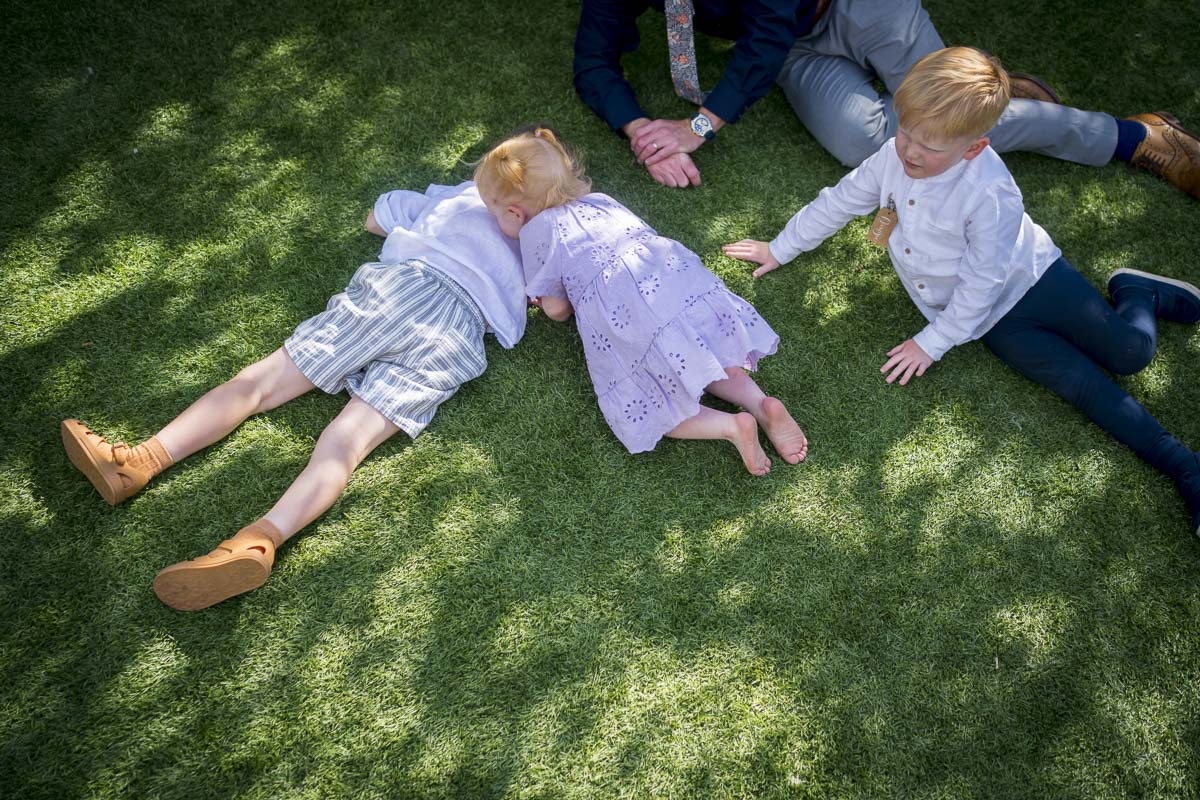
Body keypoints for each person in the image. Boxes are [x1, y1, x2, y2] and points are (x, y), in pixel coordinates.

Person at [725, 47, 1200, 537]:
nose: (909, 151)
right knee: (1082, 386)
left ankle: (1138, 292)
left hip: (1034, 279)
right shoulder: (895, 155)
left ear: (973, 148)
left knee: (1131, 354)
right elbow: (841, 200)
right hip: (992, 320)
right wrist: (780, 247)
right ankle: (1186, 467)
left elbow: (982, 283)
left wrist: (931, 342)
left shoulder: (989, 193)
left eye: (928, 146)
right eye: (905, 131)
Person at [61, 181, 528, 610]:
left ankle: (136, 462)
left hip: (404, 291)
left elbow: (377, 216)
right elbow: (554, 304)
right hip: (455, 336)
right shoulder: (545, 245)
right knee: (347, 442)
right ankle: (258, 541)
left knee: (262, 383)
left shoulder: (459, 196)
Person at [574, 0, 1200, 198]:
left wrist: (699, 127)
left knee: (940, 116)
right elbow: (592, 60)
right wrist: (639, 129)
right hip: (797, 44)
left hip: (858, 4)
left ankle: (1135, 136)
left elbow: (762, 37)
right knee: (869, 142)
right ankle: (1000, 99)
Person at [474, 126, 808, 473]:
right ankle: (760, 403)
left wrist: (546, 303)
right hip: (673, 280)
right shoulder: (600, 202)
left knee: (653, 403)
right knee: (704, 356)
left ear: (515, 213)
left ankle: (729, 426)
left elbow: (558, 309)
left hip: (630, 310)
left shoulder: (535, 233)